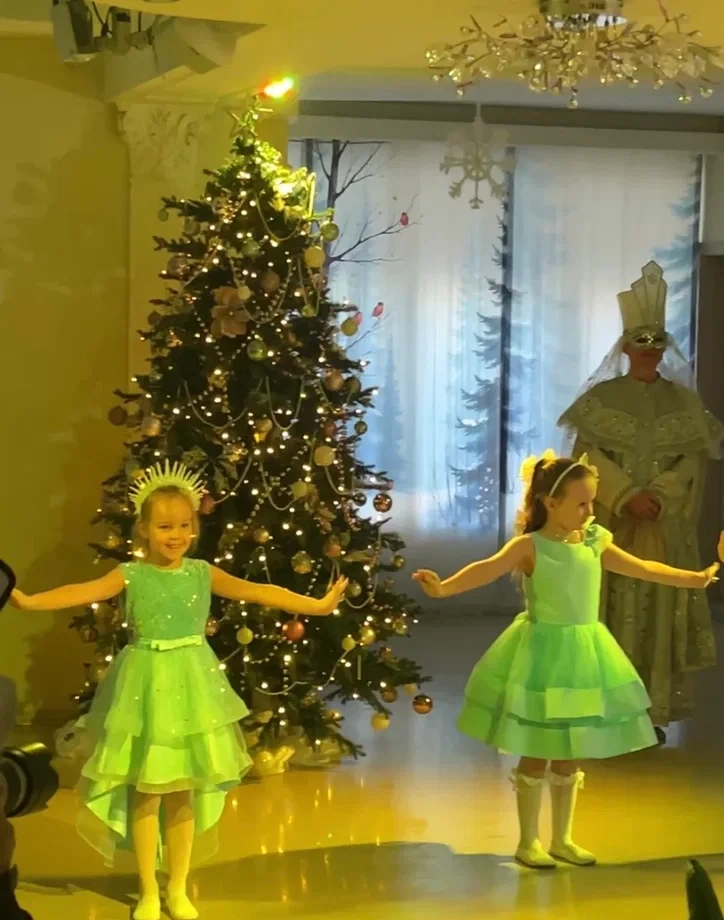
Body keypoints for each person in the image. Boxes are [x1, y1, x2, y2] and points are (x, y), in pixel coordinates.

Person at [10, 461, 348, 920]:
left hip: (192, 687)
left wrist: (317, 605)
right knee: (147, 791)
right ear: (144, 529)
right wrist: (29, 601)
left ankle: (178, 884)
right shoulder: (131, 574)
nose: (176, 535)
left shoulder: (202, 573)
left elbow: (257, 591)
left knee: (183, 791)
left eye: (184, 525)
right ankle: (148, 888)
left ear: (195, 526)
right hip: (144, 687)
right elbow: (82, 590)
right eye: (165, 526)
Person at [413, 452, 720, 870]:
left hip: (585, 652)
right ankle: (528, 841)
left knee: (570, 750)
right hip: (543, 653)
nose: (589, 511)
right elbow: (487, 568)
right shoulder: (530, 546)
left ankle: (563, 838)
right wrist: (444, 588)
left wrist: (695, 579)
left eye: (591, 502)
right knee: (538, 747)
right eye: (580, 504)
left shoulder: (594, 541)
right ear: (550, 503)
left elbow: (644, 568)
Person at [558, 261, 724, 740]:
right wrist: (626, 495)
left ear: (665, 346)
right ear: (625, 346)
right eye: (640, 340)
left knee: (657, 615)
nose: (648, 349)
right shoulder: (601, 399)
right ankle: (606, 711)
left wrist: (660, 497)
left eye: (656, 341)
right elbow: (587, 455)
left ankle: (648, 714)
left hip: (665, 530)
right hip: (612, 528)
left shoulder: (684, 404)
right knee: (607, 613)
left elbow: (693, 460)